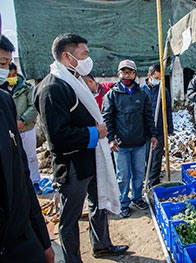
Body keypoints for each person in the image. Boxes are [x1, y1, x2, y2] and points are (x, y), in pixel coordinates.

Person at [34, 33, 128, 262]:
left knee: (99, 203)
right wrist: (95, 133)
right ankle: (72, 259)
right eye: (84, 54)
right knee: (70, 217)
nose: (89, 59)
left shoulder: (74, 80)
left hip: (92, 156)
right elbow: (57, 137)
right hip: (72, 164)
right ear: (67, 57)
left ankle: (102, 245)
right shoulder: (53, 88)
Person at [0, 34, 54, 263]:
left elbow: (20, 176)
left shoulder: (4, 101)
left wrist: (42, 240)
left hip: (20, 236)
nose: (5, 70)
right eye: (2, 64)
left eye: (6, 64)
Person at [102, 59, 158, 217]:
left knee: (139, 174)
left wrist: (153, 135)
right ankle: (123, 202)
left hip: (139, 143)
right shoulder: (112, 95)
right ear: (119, 74)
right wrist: (111, 139)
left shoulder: (142, 93)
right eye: (124, 72)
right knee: (123, 176)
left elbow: (148, 116)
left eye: (130, 72)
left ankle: (137, 198)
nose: (127, 75)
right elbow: (107, 119)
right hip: (121, 145)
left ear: (135, 74)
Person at [2, 62, 42, 194]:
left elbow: (33, 106)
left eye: (13, 74)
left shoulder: (26, 88)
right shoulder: (2, 90)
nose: (11, 77)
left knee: (31, 157)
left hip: (26, 128)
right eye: (9, 75)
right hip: (8, 131)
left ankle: (35, 183)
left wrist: (23, 120)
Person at [141, 64, 173, 187]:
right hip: (144, 129)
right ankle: (146, 177)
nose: (158, 80)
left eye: (160, 78)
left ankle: (153, 182)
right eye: (156, 77)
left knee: (156, 157)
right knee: (146, 155)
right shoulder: (141, 90)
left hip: (159, 128)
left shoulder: (163, 90)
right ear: (149, 76)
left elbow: (168, 110)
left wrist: (169, 127)